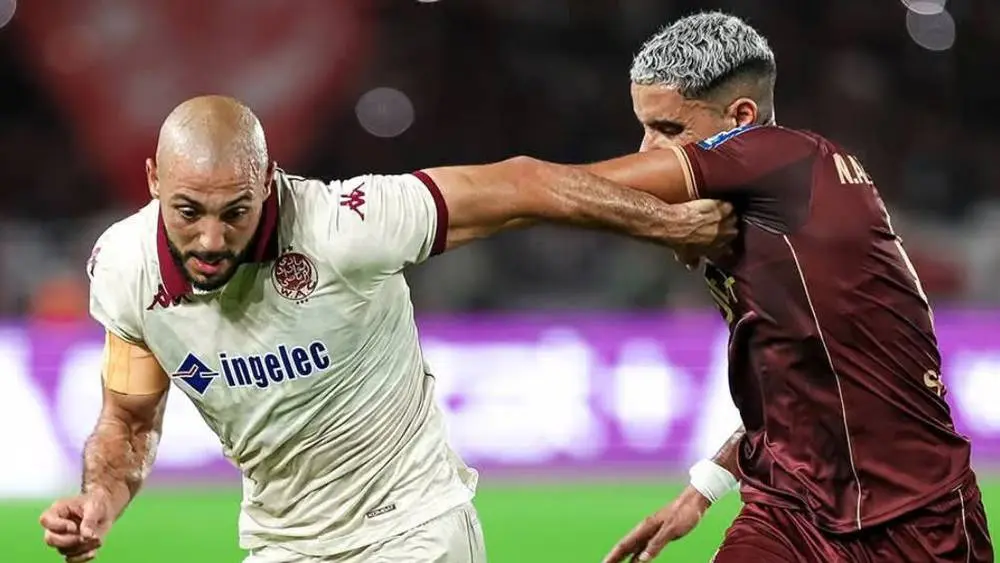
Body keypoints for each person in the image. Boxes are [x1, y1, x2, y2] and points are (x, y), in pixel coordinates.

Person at [37, 95, 734, 563]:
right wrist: (101, 498)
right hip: (282, 543)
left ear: (269, 181)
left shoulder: (348, 225)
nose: (212, 239)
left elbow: (522, 185)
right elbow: (128, 422)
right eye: (189, 212)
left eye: (236, 211)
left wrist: (665, 222)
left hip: (413, 527)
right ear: (153, 180)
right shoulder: (124, 269)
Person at [597, 11, 995, 562]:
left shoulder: (795, 177)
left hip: (918, 517)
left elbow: (563, 190)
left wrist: (470, 199)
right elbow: (797, 398)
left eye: (666, 130)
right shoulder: (756, 225)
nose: (646, 151)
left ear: (743, 118)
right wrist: (704, 488)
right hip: (792, 513)